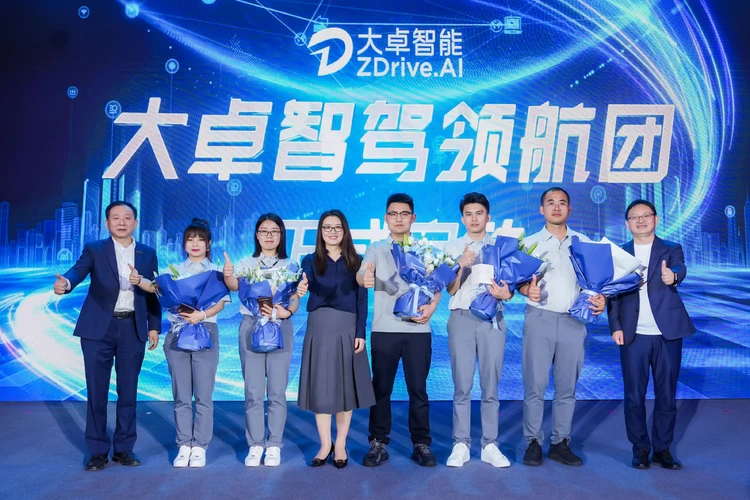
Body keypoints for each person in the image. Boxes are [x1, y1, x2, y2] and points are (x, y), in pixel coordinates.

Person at [52, 201, 161, 471]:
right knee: (97, 392)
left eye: (127, 218)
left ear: (136, 222)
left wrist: (154, 325)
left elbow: (154, 290)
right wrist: (66, 283)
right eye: (116, 218)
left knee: (128, 392)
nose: (122, 222)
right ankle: (98, 451)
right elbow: (78, 271)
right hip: (97, 330)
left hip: (132, 328)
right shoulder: (95, 249)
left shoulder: (148, 253)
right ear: (107, 223)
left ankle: (124, 448)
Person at [517, 187, 605, 467]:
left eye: (562, 203)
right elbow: (517, 282)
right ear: (541, 209)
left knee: (567, 387)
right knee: (535, 386)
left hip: (573, 322)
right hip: (539, 319)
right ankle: (533, 442)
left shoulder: (584, 243)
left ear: (569, 209)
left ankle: (560, 442)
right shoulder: (528, 243)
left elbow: (597, 283)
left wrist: (601, 299)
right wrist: (525, 290)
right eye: (550, 203)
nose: (556, 207)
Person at [131, 218, 228, 468]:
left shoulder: (217, 271)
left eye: (200, 239)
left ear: (209, 244)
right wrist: (138, 280)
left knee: (203, 395)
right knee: (181, 395)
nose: (195, 243)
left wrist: (201, 315)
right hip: (177, 333)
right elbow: (155, 288)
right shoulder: (173, 270)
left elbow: (221, 303)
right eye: (190, 239)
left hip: (206, 331)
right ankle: (184, 444)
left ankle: (200, 446)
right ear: (184, 244)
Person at [608, 199, 695, 470]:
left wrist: (673, 277)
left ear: (655, 219)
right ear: (627, 224)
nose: (641, 220)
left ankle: (663, 448)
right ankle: (640, 448)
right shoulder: (620, 253)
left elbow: (680, 268)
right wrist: (615, 326)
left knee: (666, 394)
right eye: (635, 217)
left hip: (667, 333)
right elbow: (612, 294)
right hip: (633, 334)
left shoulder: (671, 248)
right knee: (634, 395)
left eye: (646, 215)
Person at [357, 193, 440, 467]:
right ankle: (378, 442)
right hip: (385, 329)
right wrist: (365, 277)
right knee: (381, 389)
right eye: (393, 214)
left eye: (404, 214)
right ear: (386, 218)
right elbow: (362, 273)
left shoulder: (427, 249)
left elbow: (438, 283)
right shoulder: (376, 248)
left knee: (418, 390)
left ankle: (421, 443)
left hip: (418, 329)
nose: (399, 219)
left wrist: (432, 308)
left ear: (413, 217)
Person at [297, 209, 375, 469]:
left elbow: (362, 300)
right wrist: (301, 285)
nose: (332, 232)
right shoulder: (310, 260)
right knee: (321, 388)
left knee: (344, 389)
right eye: (327, 227)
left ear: (345, 231)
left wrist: (360, 332)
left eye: (337, 227)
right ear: (320, 232)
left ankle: (340, 444)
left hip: (347, 326)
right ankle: (324, 444)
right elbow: (305, 279)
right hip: (319, 327)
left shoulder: (357, 261)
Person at [223, 213, 302, 467]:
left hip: (280, 326)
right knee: (253, 391)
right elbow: (234, 286)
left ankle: (274, 444)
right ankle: (256, 444)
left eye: (274, 231)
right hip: (251, 325)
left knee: (277, 391)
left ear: (281, 235)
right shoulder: (246, 263)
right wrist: (228, 274)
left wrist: (287, 312)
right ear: (257, 235)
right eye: (264, 231)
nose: (269, 236)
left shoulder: (291, 265)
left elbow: (294, 298)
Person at [443, 192, 512, 468]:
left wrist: (507, 294)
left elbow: (510, 287)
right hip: (461, 317)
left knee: (490, 385)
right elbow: (449, 289)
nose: (474, 219)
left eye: (479, 213)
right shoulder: (451, 246)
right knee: (462, 385)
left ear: (488, 217)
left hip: (492, 320)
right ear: (462, 218)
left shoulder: (500, 247)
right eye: (469, 214)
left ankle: (489, 445)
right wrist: (461, 264)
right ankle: (460, 443)